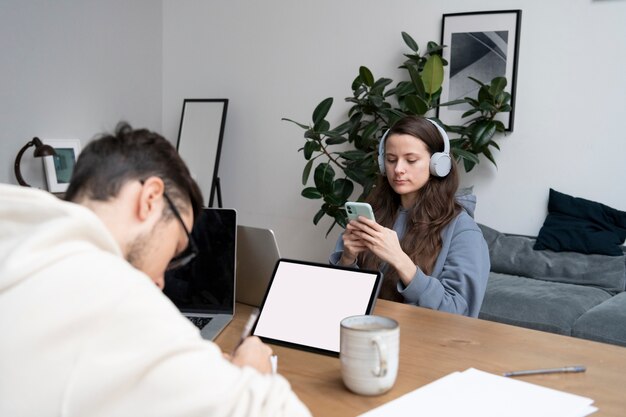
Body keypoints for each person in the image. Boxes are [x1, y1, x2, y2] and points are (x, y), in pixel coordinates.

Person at [0, 122, 311, 417]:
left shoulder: (18, 228)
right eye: (175, 249)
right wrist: (251, 372)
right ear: (149, 198)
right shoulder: (113, 293)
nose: (161, 281)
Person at [330, 115, 490, 317]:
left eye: (411, 160)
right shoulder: (373, 214)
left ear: (438, 164)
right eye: (390, 160)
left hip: (423, 342)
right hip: (366, 333)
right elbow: (337, 299)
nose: (398, 169)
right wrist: (347, 259)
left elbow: (460, 313)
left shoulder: (463, 231)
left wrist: (400, 261)